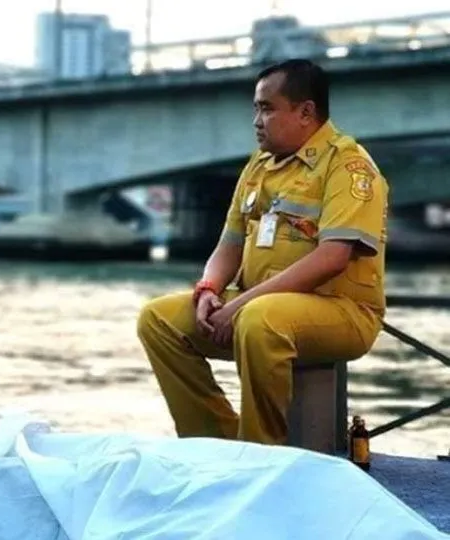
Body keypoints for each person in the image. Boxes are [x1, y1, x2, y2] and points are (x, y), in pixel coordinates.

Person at [136, 58, 389, 445]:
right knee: (158, 320)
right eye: (256, 109)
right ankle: (213, 441)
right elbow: (230, 243)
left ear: (305, 112)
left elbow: (332, 257)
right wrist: (209, 290)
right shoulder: (259, 166)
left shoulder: (348, 166)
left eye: (267, 109)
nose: (257, 121)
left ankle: (261, 450)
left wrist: (239, 305)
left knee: (259, 320)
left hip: (342, 311)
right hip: (259, 305)